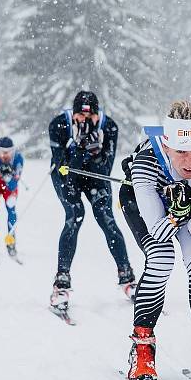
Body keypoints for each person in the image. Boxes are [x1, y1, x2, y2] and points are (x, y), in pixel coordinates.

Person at [119, 100, 191, 380]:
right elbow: (158, 232)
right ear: (167, 146)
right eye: (181, 152)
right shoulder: (147, 164)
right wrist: (176, 213)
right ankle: (142, 348)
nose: (189, 162)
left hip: (185, 211)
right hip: (140, 201)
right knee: (161, 259)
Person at [47, 91, 135, 315]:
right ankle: (62, 281)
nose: (85, 121)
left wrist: (93, 154)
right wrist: (79, 150)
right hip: (67, 176)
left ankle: (127, 277)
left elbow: (105, 168)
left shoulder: (109, 127)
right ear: (73, 113)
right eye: (80, 116)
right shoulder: (58, 125)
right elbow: (64, 170)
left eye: (91, 117)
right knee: (75, 217)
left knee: (107, 220)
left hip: (95, 175)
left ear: (98, 115)